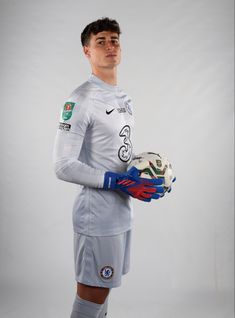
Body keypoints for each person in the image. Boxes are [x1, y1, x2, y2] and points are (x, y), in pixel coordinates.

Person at [53, 17, 165, 318]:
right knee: (92, 295)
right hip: (96, 217)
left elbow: (116, 154)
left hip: (121, 213)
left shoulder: (123, 98)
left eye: (114, 39)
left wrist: (151, 175)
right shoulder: (81, 99)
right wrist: (117, 182)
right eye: (100, 41)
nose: (110, 45)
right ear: (87, 51)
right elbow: (62, 165)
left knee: (103, 295)